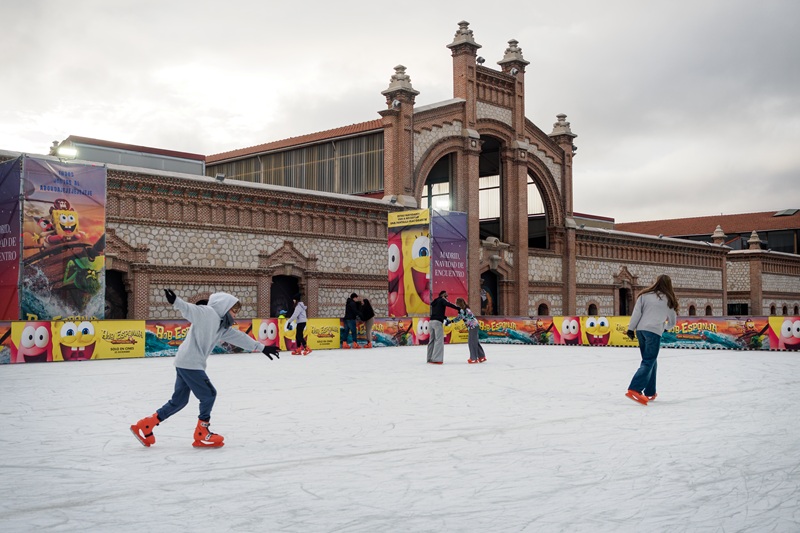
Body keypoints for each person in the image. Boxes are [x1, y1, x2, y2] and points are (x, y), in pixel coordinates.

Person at [130, 289, 280, 448]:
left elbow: (239, 337)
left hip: (185, 362)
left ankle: (146, 425)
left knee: (179, 401)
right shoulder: (209, 314)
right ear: (224, 306)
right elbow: (191, 310)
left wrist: (262, 347)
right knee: (209, 394)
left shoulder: (221, 326)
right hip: (191, 363)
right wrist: (176, 301)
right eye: (234, 310)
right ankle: (201, 431)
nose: (235, 315)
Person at [625, 275, 679, 406]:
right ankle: (634, 389)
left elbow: (636, 313)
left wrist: (631, 329)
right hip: (654, 332)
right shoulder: (669, 300)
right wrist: (664, 328)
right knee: (649, 360)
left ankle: (650, 391)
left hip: (641, 331)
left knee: (651, 361)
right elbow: (672, 322)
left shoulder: (644, 295)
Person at [428, 290, 460, 364]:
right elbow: (449, 304)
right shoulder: (442, 300)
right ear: (443, 295)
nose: (447, 297)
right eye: (446, 296)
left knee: (432, 340)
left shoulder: (435, 301)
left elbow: (437, 313)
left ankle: (429, 358)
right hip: (437, 322)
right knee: (439, 340)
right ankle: (436, 359)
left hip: (431, 322)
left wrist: (445, 318)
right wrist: (458, 308)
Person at [453, 297, 486, 364]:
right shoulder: (466, 309)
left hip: (472, 326)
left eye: (456, 303)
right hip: (474, 325)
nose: (456, 304)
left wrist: (450, 321)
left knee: (471, 342)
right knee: (475, 341)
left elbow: (459, 318)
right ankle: (481, 356)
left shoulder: (463, 310)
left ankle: (473, 358)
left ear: (458, 304)